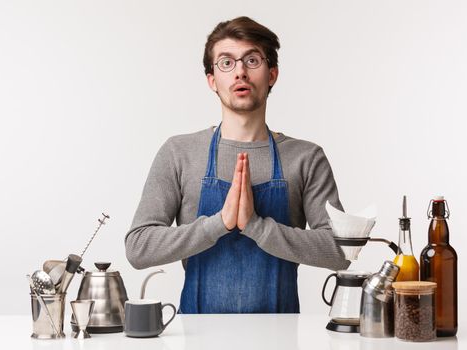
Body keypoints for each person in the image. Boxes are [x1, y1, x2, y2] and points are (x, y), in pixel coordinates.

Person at [125, 16, 349, 314]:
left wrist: (256, 227)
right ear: (211, 80)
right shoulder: (179, 152)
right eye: (226, 63)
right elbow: (138, 248)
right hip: (197, 336)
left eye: (252, 60)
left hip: (279, 337)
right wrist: (219, 224)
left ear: (272, 74)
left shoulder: (306, 157)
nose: (240, 72)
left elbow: (340, 250)